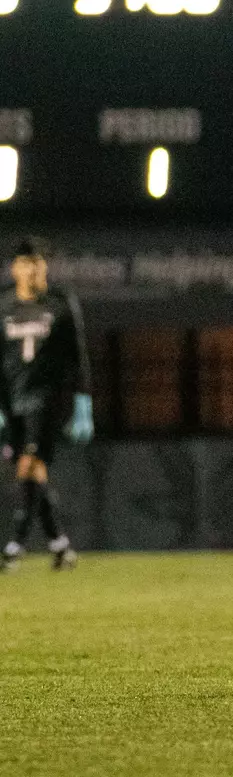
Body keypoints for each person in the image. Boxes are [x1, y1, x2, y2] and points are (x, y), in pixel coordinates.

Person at [0, 238, 94, 572]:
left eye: (40, 264)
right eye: (28, 263)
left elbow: (77, 356)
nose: (35, 270)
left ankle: (14, 547)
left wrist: (83, 403)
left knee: (28, 466)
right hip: (14, 401)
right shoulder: (4, 304)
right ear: (16, 268)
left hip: (48, 399)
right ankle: (60, 545)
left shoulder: (60, 303)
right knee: (32, 473)